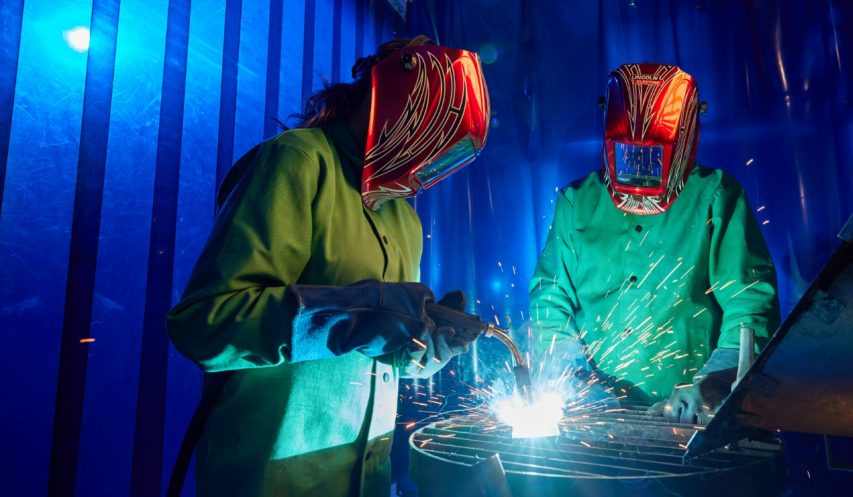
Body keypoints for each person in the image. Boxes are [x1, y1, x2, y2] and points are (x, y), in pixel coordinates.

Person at [166, 36, 490, 497]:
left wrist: (421, 346)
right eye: (426, 134)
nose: (425, 158)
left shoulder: (405, 218)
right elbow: (206, 325)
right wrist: (359, 311)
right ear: (394, 106)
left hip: (368, 482)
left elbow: (382, 354)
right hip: (272, 480)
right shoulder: (298, 161)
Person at [529, 63, 780, 423]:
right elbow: (550, 302)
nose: (640, 170)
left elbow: (749, 305)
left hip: (692, 417)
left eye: (653, 157)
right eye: (629, 154)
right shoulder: (576, 202)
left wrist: (715, 382)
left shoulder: (716, 195)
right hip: (598, 415)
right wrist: (574, 380)